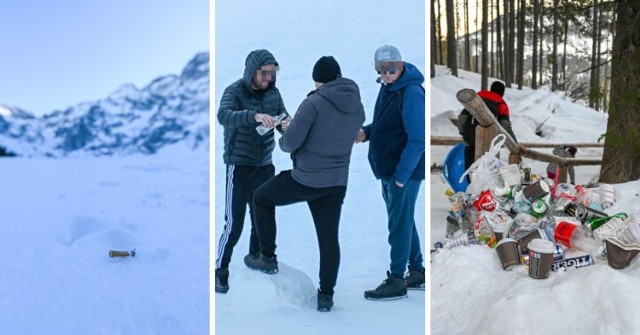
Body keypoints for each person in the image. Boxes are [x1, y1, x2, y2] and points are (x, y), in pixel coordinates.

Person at [245, 56, 365, 312]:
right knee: (329, 238)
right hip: (335, 184)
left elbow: (289, 144)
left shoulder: (313, 103)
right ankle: (326, 296)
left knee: (260, 198)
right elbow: (340, 132)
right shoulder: (357, 104)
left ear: (318, 80)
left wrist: (289, 128)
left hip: (305, 179)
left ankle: (267, 257)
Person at [215, 49, 290, 294]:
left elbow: (283, 118)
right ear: (252, 71)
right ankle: (220, 271)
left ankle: (256, 258)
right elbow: (223, 116)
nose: (269, 78)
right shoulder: (234, 91)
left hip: (265, 166)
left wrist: (286, 124)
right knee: (234, 223)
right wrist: (254, 116)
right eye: (265, 73)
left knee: (262, 218)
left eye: (272, 73)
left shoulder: (274, 93)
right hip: (239, 166)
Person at [355, 45, 425, 300]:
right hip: (389, 168)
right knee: (404, 220)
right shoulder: (390, 88)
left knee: (398, 223)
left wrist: (401, 176)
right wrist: (368, 132)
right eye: (381, 70)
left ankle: (397, 279)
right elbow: (388, 124)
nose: (386, 74)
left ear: (401, 64)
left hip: (402, 171)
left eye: (390, 69)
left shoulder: (412, 92)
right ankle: (416, 271)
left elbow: (417, 139)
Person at [457, 81, 526, 175]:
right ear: (502, 92)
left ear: (491, 88)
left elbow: (462, 118)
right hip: (489, 146)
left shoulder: (476, 98)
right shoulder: (500, 103)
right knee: (488, 177)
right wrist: (515, 145)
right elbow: (506, 126)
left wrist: (463, 133)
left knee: (471, 174)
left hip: (470, 141)